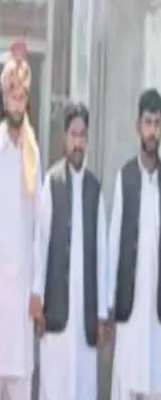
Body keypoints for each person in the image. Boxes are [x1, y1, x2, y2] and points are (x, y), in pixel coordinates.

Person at [33, 102, 109, 400]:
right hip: (56, 307)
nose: (78, 142)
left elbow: (101, 256)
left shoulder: (95, 189)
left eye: (82, 135)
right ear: (65, 138)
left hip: (85, 312)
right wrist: (37, 298)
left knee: (83, 386)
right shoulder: (52, 183)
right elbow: (41, 244)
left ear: (87, 139)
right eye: (73, 135)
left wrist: (101, 314)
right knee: (54, 385)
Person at [0, 40, 42, 399]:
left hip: (24, 294)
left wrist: (37, 289)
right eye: (12, 96)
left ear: (26, 102)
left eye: (22, 97)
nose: (17, 104)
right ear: (4, 101)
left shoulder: (34, 156)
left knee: (21, 378)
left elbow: (39, 229)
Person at [108, 88, 161, 400]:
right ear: (138, 126)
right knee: (126, 384)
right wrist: (109, 305)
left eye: (157, 123)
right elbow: (114, 245)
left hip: (158, 313)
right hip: (130, 306)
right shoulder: (125, 178)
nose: (152, 131)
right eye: (147, 123)